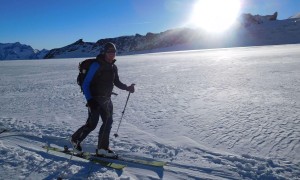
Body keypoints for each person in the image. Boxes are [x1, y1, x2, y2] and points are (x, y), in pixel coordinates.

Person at [71, 42, 135, 157]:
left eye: (114, 52)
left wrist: (127, 88)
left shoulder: (113, 67)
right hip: (94, 100)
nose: (112, 54)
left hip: (106, 99)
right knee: (92, 124)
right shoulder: (96, 65)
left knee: (108, 122)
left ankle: (102, 148)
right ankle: (75, 140)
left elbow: (117, 82)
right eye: (109, 52)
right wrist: (90, 100)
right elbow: (86, 84)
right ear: (105, 52)